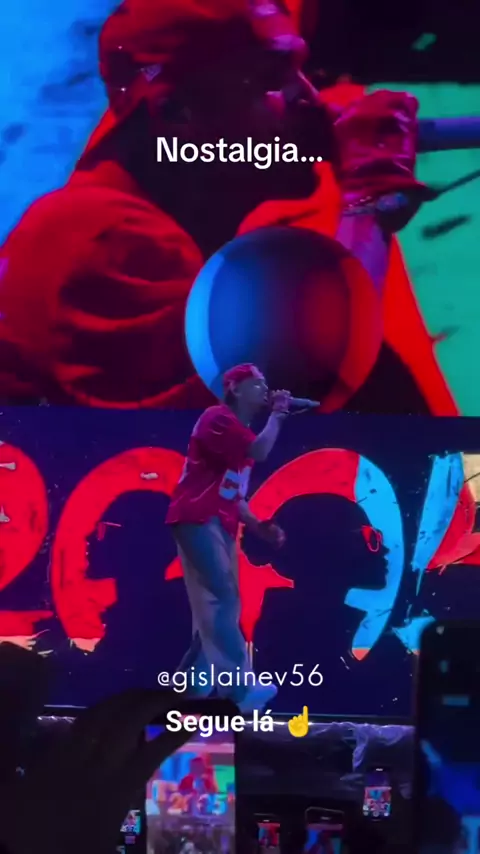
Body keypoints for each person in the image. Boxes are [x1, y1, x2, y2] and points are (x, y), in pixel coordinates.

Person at [0, 0, 430, 411]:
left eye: (304, 73)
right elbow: (293, 394)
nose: (313, 101)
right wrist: (368, 201)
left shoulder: (150, 219)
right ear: (176, 113)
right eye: (272, 80)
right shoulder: (106, 243)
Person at [166, 363, 289, 711]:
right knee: (223, 600)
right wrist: (279, 414)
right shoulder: (217, 418)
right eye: (257, 384)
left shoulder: (239, 437)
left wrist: (258, 525)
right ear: (234, 388)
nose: (265, 390)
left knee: (215, 610)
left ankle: (187, 694)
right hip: (198, 518)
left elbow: (234, 495)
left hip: (218, 523)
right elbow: (261, 451)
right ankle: (239, 691)